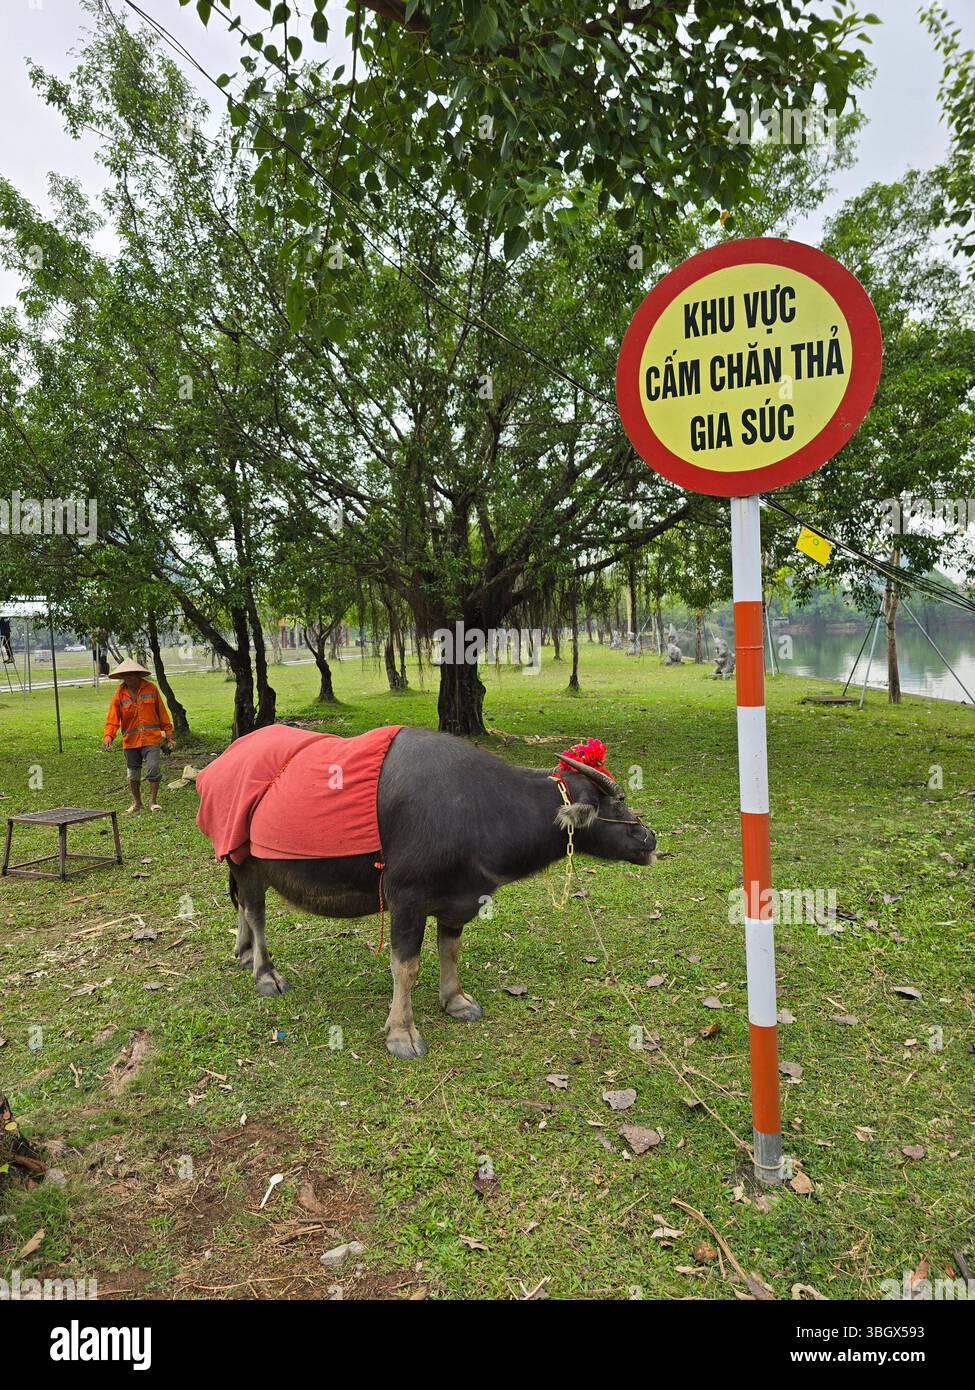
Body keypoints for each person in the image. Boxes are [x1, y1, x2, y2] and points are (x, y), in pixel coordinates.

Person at [101, 658, 174, 814]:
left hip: (151, 738)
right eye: (126, 675)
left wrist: (168, 735)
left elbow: (162, 714)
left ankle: (153, 802)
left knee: (153, 768)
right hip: (130, 742)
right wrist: (108, 736)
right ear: (123, 677)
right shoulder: (119, 695)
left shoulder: (151, 689)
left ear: (138, 675)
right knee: (133, 773)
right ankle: (137, 803)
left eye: (133, 674)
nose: (130, 677)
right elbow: (112, 719)